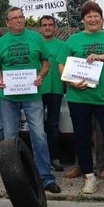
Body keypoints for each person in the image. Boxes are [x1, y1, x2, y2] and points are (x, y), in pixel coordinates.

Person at [57, 1, 104, 202]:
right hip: (79, 97)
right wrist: (70, 81)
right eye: (89, 16)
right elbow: (61, 64)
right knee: (82, 138)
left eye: (96, 15)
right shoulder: (73, 40)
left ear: (102, 19)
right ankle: (89, 176)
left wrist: (102, 57)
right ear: (83, 20)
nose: (93, 18)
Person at [0, 7, 61, 194]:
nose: (20, 20)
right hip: (8, 98)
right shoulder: (2, 42)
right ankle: (14, 178)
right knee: (10, 138)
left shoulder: (35, 38)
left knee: (39, 135)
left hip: (33, 95)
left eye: (21, 17)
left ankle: (45, 178)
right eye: (15, 18)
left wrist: (41, 75)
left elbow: (46, 62)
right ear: (7, 22)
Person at [38, 15, 65, 172]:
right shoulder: (36, 44)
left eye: (50, 24)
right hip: (38, 89)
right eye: (44, 25)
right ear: (40, 27)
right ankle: (39, 158)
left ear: (54, 27)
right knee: (37, 126)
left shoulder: (63, 45)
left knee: (53, 125)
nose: (47, 27)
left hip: (56, 90)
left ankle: (54, 157)